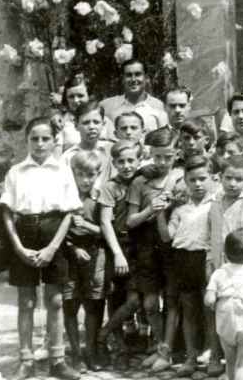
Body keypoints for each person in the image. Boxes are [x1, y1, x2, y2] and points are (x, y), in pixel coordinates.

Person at [0, 117, 84, 380]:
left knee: (56, 300)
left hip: (53, 232)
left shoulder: (62, 170)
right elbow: (7, 214)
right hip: (23, 233)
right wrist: (19, 248)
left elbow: (70, 212)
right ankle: (26, 359)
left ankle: (57, 360)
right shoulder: (15, 172)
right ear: (26, 141)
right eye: (34, 138)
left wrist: (52, 247)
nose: (39, 143)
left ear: (54, 141)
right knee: (26, 301)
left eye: (45, 138)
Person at [121, 127, 184, 370]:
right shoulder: (140, 180)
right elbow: (130, 220)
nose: (161, 162)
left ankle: (166, 351)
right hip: (146, 247)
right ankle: (158, 345)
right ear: (150, 154)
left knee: (172, 300)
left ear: (176, 153)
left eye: (167, 156)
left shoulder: (181, 177)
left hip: (173, 246)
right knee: (149, 304)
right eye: (157, 156)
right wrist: (151, 210)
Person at [204, 155, 243, 376]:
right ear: (220, 177)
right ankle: (219, 357)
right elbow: (211, 234)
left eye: (238, 179)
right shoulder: (214, 202)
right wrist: (210, 262)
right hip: (221, 268)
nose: (232, 183)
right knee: (220, 314)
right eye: (228, 178)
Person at [156, 155, 212, 376]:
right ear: (186, 181)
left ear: (211, 178)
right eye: (193, 180)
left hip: (206, 259)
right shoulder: (180, 208)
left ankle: (211, 354)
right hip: (184, 260)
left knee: (209, 309)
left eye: (202, 179)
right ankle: (190, 355)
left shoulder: (216, 203)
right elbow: (166, 237)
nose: (198, 184)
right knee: (188, 309)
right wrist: (160, 212)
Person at [62, 151, 108, 373]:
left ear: (97, 174)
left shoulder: (101, 199)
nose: (85, 180)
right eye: (80, 174)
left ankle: (90, 350)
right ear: (73, 174)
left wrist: (87, 226)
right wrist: (73, 248)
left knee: (93, 303)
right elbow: (57, 232)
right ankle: (75, 353)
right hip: (69, 255)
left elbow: (107, 231)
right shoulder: (65, 198)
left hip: (95, 254)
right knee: (70, 303)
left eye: (91, 175)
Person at [95, 140, 141, 357]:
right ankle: (120, 346)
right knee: (115, 296)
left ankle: (104, 333)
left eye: (131, 160)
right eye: (121, 161)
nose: (126, 165)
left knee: (135, 299)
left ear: (138, 160)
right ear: (114, 163)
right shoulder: (109, 188)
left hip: (139, 246)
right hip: (118, 245)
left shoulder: (141, 182)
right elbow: (105, 222)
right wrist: (118, 253)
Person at [205, 228, 243, 380]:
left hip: (225, 320)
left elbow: (209, 298)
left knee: (230, 361)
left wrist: (213, 302)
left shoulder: (219, 272)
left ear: (226, 253)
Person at [100, 59, 168, 133]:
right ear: (123, 78)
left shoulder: (158, 105)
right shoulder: (107, 106)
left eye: (138, 74)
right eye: (128, 75)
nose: (133, 79)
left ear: (146, 77)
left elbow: (164, 139)